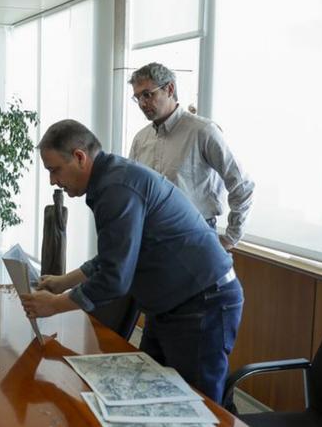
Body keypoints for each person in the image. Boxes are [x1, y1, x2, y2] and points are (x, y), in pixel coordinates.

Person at [20, 119, 244, 404]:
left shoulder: (116, 187)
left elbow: (115, 277)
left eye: (54, 170)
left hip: (203, 301)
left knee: (199, 406)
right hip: (171, 303)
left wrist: (55, 305)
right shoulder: (110, 180)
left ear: (79, 157)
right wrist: (65, 281)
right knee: (150, 395)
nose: (53, 181)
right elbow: (117, 253)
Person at [128, 62, 254, 250]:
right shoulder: (141, 138)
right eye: (137, 97)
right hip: (151, 236)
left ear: (169, 89)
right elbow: (134, 191)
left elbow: (242, 185)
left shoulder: (203, 131)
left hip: (195, 234)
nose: (142, 103)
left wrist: (230, 238)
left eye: (147, 94)